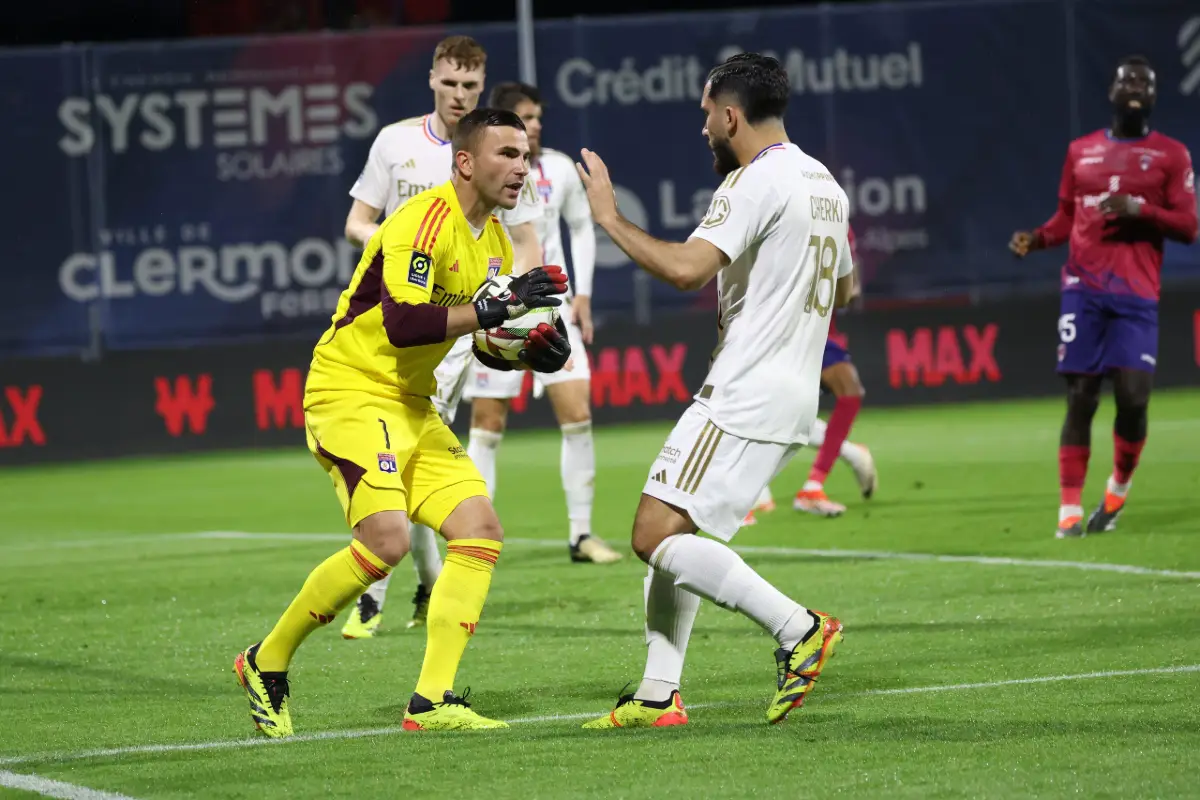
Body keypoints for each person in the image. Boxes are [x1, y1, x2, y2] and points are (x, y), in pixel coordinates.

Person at [234, 108, 573, 736]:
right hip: (350, 390)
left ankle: (432, 701)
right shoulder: (422, 219)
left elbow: (479, 335)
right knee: (386, 542)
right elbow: (405, 323)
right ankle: (266, 660)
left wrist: (526, 347)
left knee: (480, 530)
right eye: (506, 154)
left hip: (411, 403)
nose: (521, 167)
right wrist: (494, 307)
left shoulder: (495, 239)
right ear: (466, 162)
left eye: (525, 155)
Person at [573, 53, 852, 728]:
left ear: (732, 115)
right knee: (678, 533)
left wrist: (608, 219)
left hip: (746, 391)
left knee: (651, 532)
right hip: (789, 391)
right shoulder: (825, 184)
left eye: (706, 114)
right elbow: (841, 286)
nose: (702, 128)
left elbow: (684, 271)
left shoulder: (755, 181)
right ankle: (656, 694)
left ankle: (798, 629)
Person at [340, 35, 546, 638]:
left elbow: (523, 240)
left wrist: (524, 314)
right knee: (405, 456)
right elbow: (357, 221)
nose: (459, 95)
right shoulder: (396, 144)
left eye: (471, 87)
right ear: (432, 79)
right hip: (399, 320)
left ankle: (392, 587)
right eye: (450, 83)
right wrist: (395, 254)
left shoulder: (498, 153)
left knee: (417, 458)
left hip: (462, 325)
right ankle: (399, 585)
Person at [1009, 55, 1196, 538]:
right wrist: (1038, 238)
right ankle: (1068, 511)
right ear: (1111, 92)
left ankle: (1116, 489)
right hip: (1083, 289)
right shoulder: (1081, 152)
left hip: (1136, 293)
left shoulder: (1172, 155)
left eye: (1145, 82)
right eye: (1126, 80)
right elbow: (1067, 216)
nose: (1135, 87)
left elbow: (1189, 226)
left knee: (1133, 400)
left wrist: (1142, 208)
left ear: (1154, 96)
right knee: (1081, 396)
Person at [462, 81, 622, 565]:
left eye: (536, 117)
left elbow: (581, 228)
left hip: (552, 305)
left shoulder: (556, 169)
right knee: (488, 423)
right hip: (496, 311)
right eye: (525, 117)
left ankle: (581, 535)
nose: (535, 125)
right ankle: (474, 532)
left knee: (578, 413)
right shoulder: (485, 173)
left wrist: (584, 294)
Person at [746, 224, 877, 523]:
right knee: (784, 412)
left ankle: (811, 487)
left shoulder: (841, 227)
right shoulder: (783, 222)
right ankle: (754, 491)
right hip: (779, 331)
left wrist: (845, 287)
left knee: (846, 393)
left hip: (816, 334)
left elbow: (849, 289)